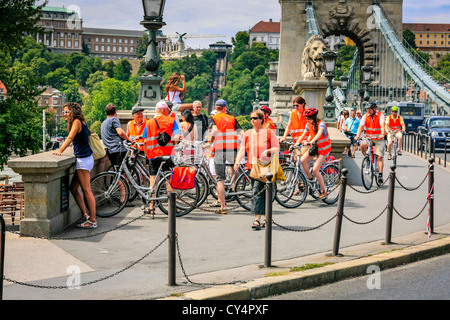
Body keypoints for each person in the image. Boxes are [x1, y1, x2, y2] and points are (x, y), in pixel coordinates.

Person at [53, 102, 97, 229]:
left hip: (83, 160)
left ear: (73, 112)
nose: (64, 114)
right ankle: (85, 215)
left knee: (87, 190)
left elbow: (70, 138)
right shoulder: (80, 121)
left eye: (67, 112)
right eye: (64, 112)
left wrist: (60, 151)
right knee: (73, 188)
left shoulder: (77, 121)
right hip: (85, 159)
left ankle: (93, 220)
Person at [234, 110, 279, 230]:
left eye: (254, 118)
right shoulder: (248, 133)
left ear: (261, 119)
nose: (252, 120)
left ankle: (257, 219)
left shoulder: (269, 133)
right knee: (260, 193)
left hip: (265, 167)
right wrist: (238, 160)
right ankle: (266, 218)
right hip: (252, 166)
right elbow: (243, 148)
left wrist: (268, 151)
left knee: (257, 192)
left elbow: (276, 148)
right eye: (251, 118)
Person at [142, 100, 182, 215]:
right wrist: (173, 141)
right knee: (169, 181)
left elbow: (145, 141)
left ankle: (151, 207)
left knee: (153, 180)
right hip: (167, 155)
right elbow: (177, 136)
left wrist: (146, 155)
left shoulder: (149, 123)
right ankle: (172, 207)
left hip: (153, 155)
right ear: (165, 110)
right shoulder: (171, 121)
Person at [207, 99, 244, 214]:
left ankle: (223, 206)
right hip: (231, 147)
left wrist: (210, 140)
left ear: (215, 108)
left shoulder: (213, 118)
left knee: (220, 179)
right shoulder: (232, 118)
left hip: (219, 149)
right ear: (225, 107)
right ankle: (235, 185)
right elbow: (241, 133)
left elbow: (214, 130)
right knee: (233, 166)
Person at [293, 108, 331, 199]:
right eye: (306, 118)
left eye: (308, 118)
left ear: (314, 118)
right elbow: (303, 135)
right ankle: (309, 179)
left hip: (323, 149)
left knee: (315, 169)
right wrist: (295, 144)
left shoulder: (321, 124)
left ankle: (324, 191)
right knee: (302, 160)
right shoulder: (308, 124)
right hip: (315, 148)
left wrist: (311, 141)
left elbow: (318, 134)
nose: (307, 120)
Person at [355, 102, 386, 185]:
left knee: (379, 157)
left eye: (369, 109)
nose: (368, 110)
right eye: (367, 109)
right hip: (369, 138)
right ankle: (367, 159)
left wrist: (382, 134)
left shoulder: (380, 116)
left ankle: (380, 175)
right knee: (362, 145)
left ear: (374, 109)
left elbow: (382, 125)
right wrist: (357, 136)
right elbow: (361, 127)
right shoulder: (365, 116)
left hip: (379, 138)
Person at [101, 103, 133, 168]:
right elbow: (120, 132)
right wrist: (129, 139)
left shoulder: (103, 123)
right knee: (124, 171)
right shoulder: (114, 119)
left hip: (110, 151)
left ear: (106, 113)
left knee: (117, 170)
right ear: (115, 112)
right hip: (118, 149)